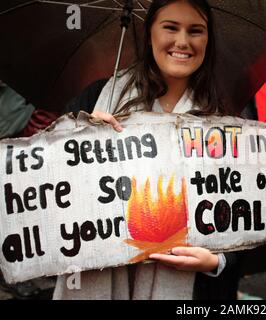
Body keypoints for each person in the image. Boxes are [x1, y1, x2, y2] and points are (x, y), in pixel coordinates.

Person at [53, 0, 241, 300]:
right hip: (101, 276)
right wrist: (76, 136)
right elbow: (52, 187)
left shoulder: (229, 120)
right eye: (170, 27)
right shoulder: (96, 98)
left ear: (209, 40)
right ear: (149, 33)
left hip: (188, 287)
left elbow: (248, 217)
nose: (182, 42)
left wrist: (217, 261)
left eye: (196, 31)